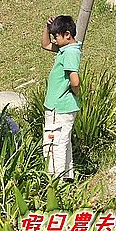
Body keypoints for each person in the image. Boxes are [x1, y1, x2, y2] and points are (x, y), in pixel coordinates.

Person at [41, 15, 82, 181]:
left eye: (56, 36)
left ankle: (55, 180)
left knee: (54, 144)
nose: (54, 40)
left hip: (59, 107)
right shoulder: (66, 49)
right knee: (63, 142)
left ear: (67, 34)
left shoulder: (70, 53)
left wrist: (76, 92)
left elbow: (75, 80)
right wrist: (47, 27)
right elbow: (45, 45)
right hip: (60, 106)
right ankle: (67, 176)